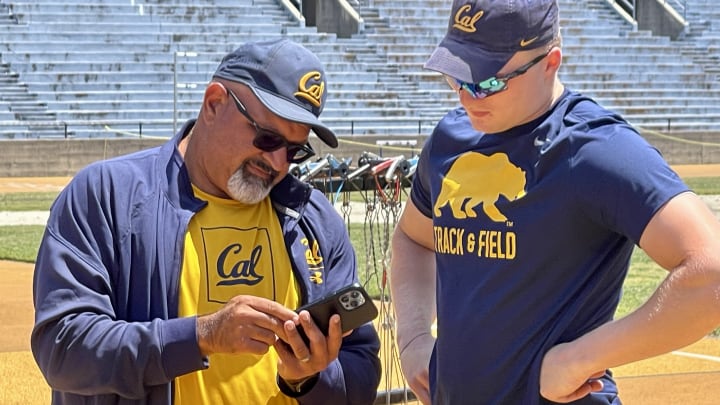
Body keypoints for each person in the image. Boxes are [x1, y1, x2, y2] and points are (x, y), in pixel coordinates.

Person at [389, 0, 720, 403]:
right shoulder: (450, 138)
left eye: (489, 81)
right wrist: (413, 338)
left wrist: (579, 359)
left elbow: (711, 274)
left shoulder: (595, 149)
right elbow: (414, 237)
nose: (466, 96)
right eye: (456, 75)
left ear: (550, 61)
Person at [31, 38, 381, 405]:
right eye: (268, 138)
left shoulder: (313, 217)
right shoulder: (106, 195)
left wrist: (308, 378)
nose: (279, 163)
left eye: (295, 151)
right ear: (214, 103)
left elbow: (359, 372)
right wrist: (201, 335)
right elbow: (63, 348)